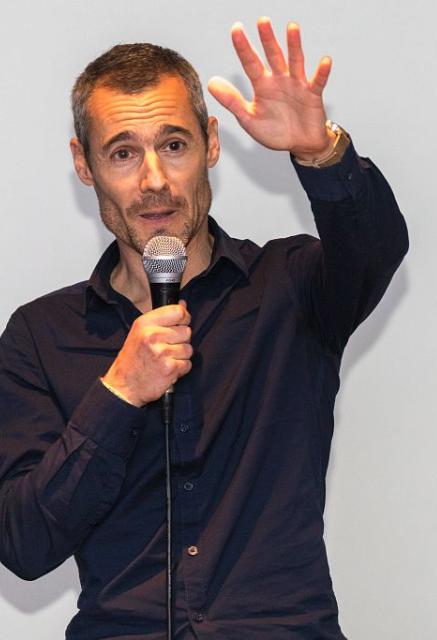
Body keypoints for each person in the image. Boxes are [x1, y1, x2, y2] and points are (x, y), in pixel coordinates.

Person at [0, 17, 408, 640]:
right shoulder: (39, 335)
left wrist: (320, 151)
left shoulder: (291, 287)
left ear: (212, 144)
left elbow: (377, 248)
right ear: (84, 164)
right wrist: (117, 395)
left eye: (174, 145)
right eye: (123, 152)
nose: (154, 181)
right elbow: (24, 545)